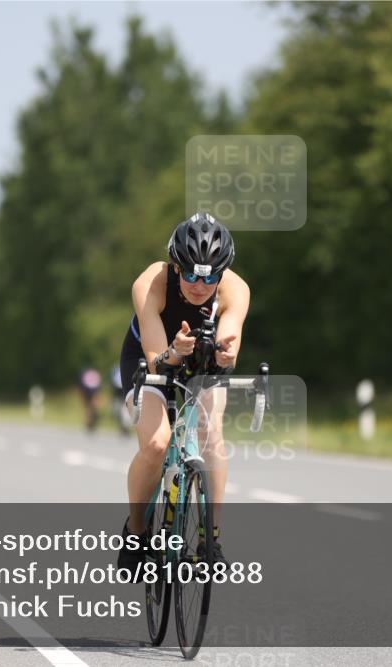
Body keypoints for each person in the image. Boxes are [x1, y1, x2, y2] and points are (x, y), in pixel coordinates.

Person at [117, 212, 249, 572]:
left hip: (202, 360)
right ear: (176, 266)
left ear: (222, 274)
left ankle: (211, 537)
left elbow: (230, 338)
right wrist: (175, 351)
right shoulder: (151, 282)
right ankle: (137, 531)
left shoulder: (236, 289)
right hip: (150, 358)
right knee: (158, 443)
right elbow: (156, 360)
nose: (199, 285)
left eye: (209, 277)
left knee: (212, 435)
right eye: (190, 273)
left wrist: (224, 351)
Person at [78, 367, 103, 432]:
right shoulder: (95, 374)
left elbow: (82, 385)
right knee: (92, 408)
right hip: (93, 391)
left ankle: (89, 423)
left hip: (86, 391)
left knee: (88, 408)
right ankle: (90, 422)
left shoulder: (86, 374)